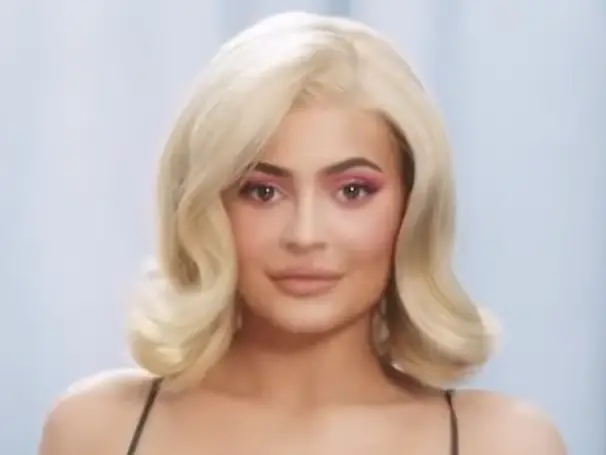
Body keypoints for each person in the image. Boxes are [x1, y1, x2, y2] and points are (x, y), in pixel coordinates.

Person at [38, 11, 566, 455]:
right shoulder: (95, 431)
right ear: (204, 207)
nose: (306, 235)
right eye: (262, 191)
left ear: (413, 205)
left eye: (352, 191)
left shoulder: (503, 442)